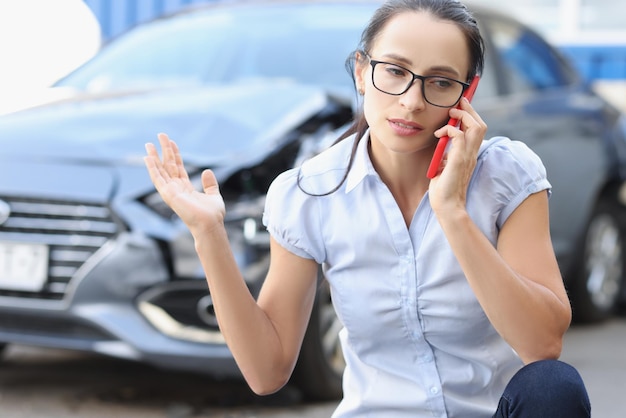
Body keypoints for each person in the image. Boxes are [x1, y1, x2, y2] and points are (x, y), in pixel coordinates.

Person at [143, 0, 591, 416]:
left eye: (439, 82)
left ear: (465, 94)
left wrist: (452, 212)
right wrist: (208, 236)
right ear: (361, 71)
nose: (412, 101)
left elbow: (542, 344)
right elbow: (267, 372)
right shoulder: (310, 193)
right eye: (394, 71)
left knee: (553, 386)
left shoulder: (505, 175)